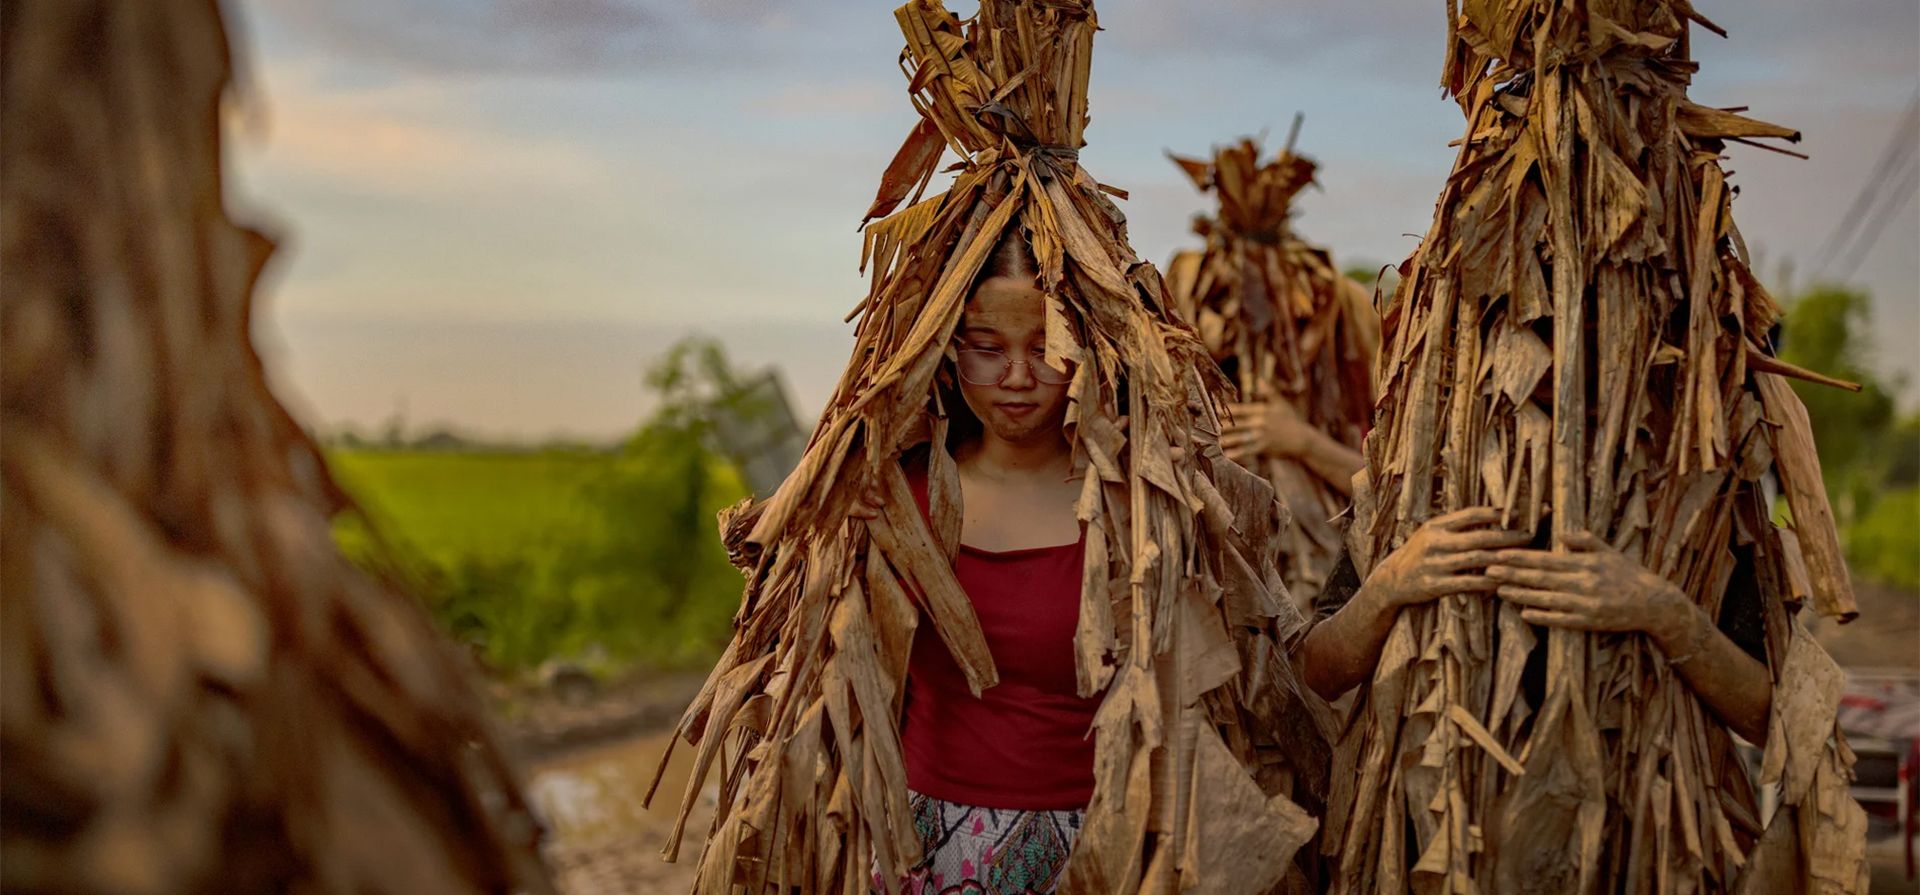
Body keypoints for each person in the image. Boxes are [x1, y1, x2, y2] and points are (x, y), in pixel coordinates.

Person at [853, 234, 1096, 895]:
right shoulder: (898, 495)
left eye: (1045, 350)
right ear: (948, 349)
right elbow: (836, 669)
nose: (1018, 377)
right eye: (988, 349)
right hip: (926, 845)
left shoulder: (1131, 508)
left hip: (1095, 849)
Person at [1298, 500, 1773, 744]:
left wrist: (1665, 612)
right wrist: (1387, 586)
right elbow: (1316, 674)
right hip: (1437, 843)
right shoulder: (1412, 463)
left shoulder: (1700, 483)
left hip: (1631, 849)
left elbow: (1767, 717)